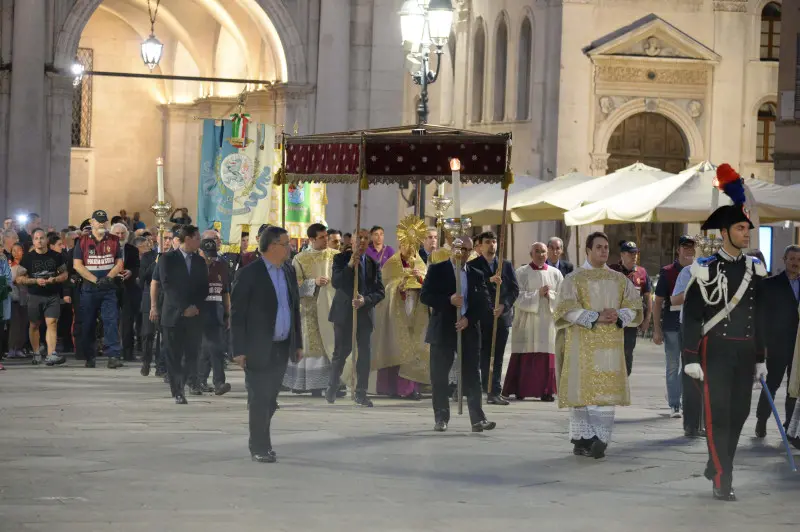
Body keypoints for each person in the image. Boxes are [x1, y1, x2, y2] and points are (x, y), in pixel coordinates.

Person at [681, 163, 767, 502]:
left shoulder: (754, 268)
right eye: (742, 228)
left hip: (745, 354)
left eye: (748, 228)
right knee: (718, 418)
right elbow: (691, 315)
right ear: (726, 232)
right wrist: (690, 357)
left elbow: (758, 315)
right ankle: (722, 477)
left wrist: (760, 358)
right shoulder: (704, 269)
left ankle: (718, 461)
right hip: (713, 352)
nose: (748, 234)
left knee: (740, 414)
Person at [553, 231, 643, 459]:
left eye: (606, 247)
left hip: (610, 345)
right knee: (582, 391)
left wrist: (619, 314)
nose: (604, 251)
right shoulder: (573, 279)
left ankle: (600, 438)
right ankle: (582, 440)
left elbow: (634, 305)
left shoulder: (619, 279)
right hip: (581, 343)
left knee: (605, 393)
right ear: (588, 250)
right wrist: (594, 316)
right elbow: (565, 308)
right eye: (599, 247)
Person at [231, 226, 302, 463]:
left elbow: (294, 309)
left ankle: (264, 442)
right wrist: (238, 349)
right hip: (257, 347)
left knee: (270, 398)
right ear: (272, 246)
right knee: (259, 398)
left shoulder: (288, 271)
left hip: (281, 346)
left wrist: (297, 342)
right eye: (286, 243)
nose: (289, 247)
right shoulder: (249, 274)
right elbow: (237, 314)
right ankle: (259, 446)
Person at [421, 234, 495, 433]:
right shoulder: (438, 269)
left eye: (466, 250)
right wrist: (448, 300)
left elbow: (485, 303)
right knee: (439, 376)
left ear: (471, 252)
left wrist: (468, 319)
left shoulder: (476, 274)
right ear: (451, 248)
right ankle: (441, 417)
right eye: (459, 248)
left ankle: (478, 419)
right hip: (443, 330)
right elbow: (425, 295)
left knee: (472, 376)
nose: (462, 253)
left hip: (468, 330)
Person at [372, 215, 430, 400]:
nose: (410, 248)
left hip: (417, 309)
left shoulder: (420, 263)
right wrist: (400, 285)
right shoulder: (391, 264)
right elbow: (384, 287)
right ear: (400, 244)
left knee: (415, 347)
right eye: (407, 244)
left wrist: (419, 278)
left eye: (414, 244)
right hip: (397, 310)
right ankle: (396, 387)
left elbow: (427, 283)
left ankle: (413, 387)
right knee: (399, 346)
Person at [325, 229, 385, 407]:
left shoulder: (373, 263)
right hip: (344, 313)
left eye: (367, 238)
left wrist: (365, 300)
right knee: (341, 353)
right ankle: (333, 385)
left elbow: (380, 291)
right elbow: (336, 282)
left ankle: (361, 392)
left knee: (365, 354)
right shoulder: (341, 259)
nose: (363, 241)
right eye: (360, 238)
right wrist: (350, 265)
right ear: (352, 241)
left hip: (364, 314)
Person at [281, 223, 338, 396]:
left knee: (331, 343)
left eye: (326, 236)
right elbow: (294, 286)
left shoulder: (336, 256)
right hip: (309, 308)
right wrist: (314, 282)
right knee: (312, 345)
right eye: (321, 237)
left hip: (330, 306)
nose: (325, 240)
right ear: (311, 239)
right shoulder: (300, 258)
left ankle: (333, 383)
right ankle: (309, 384)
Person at [154, 225, 208, 403]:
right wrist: (184, 307)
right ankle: (177, 391)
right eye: (197, 238)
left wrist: (196, 306)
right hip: (173, 314)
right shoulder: (167, 259)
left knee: (192, 355)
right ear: (188, 239)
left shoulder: (200, 261)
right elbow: (167, 285)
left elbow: (204, 287)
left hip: (195, 314)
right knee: (174, 354)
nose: (199, 242)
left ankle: (183, 382)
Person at [503, 242, 563, 402]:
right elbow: (515, 295)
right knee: (525, 351)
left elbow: (563, 297)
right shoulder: (521, 272)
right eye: (537, 251)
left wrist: (550, 295)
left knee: (547, 354)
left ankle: (547, 391)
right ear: (531, 254)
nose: (541, 254)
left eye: (543, 251)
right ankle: (520, 389)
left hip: (548, 322)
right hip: (526, 321)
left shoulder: (556, 273)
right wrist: (537, 295)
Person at [754, 244, 800, 437]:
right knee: (771, 383)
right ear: (784, 260)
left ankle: (790, 426)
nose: (795, 263)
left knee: (795, 387)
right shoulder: (770, 284)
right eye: (792, 259)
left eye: (798, 260)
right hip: (777, 343)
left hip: (798, 345)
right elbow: (761, 316)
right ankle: (761, 420)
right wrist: (762, 344)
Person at [468, 231, 519, 404]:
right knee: (483, 354)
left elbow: (514, 289)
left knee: (498, 355)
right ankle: (483, 387)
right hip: (482, 317)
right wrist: (489, 280)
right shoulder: (473, 265)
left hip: (501, 317)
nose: (492, 245)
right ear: (480, 246)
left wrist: (504, 305)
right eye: (488, 242)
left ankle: (495, 391)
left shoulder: (505, 265)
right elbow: (471, 288)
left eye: (494, 241)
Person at [652, 236, 697, 422]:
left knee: (687, 366)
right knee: (672, 365)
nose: (688, 251)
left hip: (691, 325)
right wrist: (656, 328)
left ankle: (675, 393)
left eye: (691, 248)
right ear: (678, 250)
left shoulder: (700, 271)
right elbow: (658, 302)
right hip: (671, 325)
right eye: (685, 247)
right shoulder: (667, 272)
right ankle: (674, 404)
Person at [73, 210, 125, 368]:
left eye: (104, 221)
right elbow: (77, 265)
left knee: (111, 320)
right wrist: (96, 280)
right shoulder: (82, 241)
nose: (102, 223)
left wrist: (108, 278)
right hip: (89, 288)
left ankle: (113, 356)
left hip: (108, 288)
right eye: (99, 220)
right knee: (88, 323)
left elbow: (119, 263)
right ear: (92, 222)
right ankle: (90, 356)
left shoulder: (114, 240)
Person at [15, 229, 68, 365]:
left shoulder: (56, 256)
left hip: (52, 295)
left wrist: (55, 279)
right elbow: (19, 278)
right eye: (36, 238)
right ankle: (36, 352)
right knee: (34, 325)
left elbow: (65, 274)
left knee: (52, 323)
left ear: (46, 240)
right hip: (34, 295)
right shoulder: (27, 258)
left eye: (42, 238)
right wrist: (35, 281)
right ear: (33, 241)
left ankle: (51, 354)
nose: (39, 241)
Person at [610, 241, 652, 376]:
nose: (634, 256)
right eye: (630, 253)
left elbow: (647, 297)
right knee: (612, 351)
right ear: (622, 254)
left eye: (636, 253)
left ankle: (624, 379)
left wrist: (647, 319)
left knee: (628, 350)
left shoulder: (641, 272)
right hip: (613, 319)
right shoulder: (611, 270)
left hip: (632, 321)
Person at [196, 238, 231, 395]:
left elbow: (225, 292)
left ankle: (200, 380)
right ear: (200, 252)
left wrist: (228, 313)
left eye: (212, 255)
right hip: (200, 310)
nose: (210, 258)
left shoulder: (221, 266)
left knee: (208, 348)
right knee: (215, 347)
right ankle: (219, 382)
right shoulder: (195, 266)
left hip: (217, 309)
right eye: (207, 255)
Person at [111, 223, 140, 361]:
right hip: (111, 287)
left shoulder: (132, 249)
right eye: (117, 233)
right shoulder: (106, 249)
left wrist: (131, 272)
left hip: (128, 288)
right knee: (111, 320)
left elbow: (137, 267)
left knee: (128, 321)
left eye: (122, 233)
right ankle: (113, 351)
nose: (120, 236)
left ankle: (128, 352)